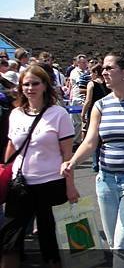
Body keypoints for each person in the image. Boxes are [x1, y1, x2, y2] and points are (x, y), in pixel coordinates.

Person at [61, 51, 124, 265]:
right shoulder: (100, 105)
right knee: (115, 242)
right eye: (103, 68)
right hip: (106, 181)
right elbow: (90, 142)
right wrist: (73, 161)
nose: (103, 72)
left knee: (123, 242)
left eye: (109, 68)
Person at [0, 65, 79, 268]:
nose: (30, 88)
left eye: (35, 83)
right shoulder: (16, 113)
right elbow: (11, 145)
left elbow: (66, 155)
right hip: (20, 185)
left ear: (45, 85)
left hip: (51, 184)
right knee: (10, 241)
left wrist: (70, 186)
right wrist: (4, 176)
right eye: (25, 84)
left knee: (50, 242)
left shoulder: (58, 114)